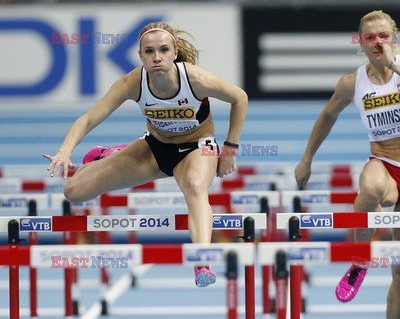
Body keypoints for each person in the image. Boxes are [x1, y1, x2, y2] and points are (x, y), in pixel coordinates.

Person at [43, 22, 248, 287]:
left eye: (163, 50)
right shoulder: (132, 82)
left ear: (175, 53)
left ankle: (202, 260)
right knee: (73, 191)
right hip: (154, 148)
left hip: (198, 148)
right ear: (141, 56)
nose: (157, 57)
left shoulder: (196, 79)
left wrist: (230, 148)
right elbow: (88, 119)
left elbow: (240, 98)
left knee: (196, 188)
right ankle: (110, 155)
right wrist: (65, 150)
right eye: (149, 52)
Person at [294, 10, 400, 318]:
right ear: (361, 42)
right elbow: (327, 116)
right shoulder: (353, 82)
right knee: (372, 186)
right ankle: (361, 259)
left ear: (394, 38)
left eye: (384, 36)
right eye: (370, 37)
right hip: (385, 164)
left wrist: (393, 66)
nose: (378, 42)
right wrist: (307, 158)